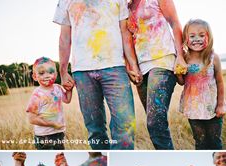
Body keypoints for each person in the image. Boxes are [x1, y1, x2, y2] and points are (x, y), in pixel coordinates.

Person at [53, 0, 141, 150]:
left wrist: (132, 63)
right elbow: (64, 38)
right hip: (82, 71)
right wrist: (63, 71)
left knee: (125, 125)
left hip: (115, 67)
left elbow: (124, 31)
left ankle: (117, 165)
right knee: (95, 129)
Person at [128, 0, 186, 150]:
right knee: (154, 123)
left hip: (163, 60)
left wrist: (180, 55)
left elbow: (175, 23)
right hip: (141, 68)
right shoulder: (124, 5)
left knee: (155, 122)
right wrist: (131, 65)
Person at [178, 19, 225, 149]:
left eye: (201, 35)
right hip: (193, 108)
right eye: (192, 36)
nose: (196, 39)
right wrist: (178, 73)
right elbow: (182, 82)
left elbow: (220, 82)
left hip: (212, 107)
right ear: (186, 38)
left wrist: (221, 105)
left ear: (208, 37)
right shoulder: (185, 58)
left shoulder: (212, 57)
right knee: (200, 141)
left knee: (215, 141)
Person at [27, 57, 72, 150]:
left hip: (59, 133)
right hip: (44, 136)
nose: (47, 76)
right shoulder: (37, 95)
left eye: (51, 72)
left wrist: (69, 89)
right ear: (35, 76)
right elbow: (32, 119)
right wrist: (52, 124)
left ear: (56, 74)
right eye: (41, 73)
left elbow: (67, 100)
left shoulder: (57, 88)